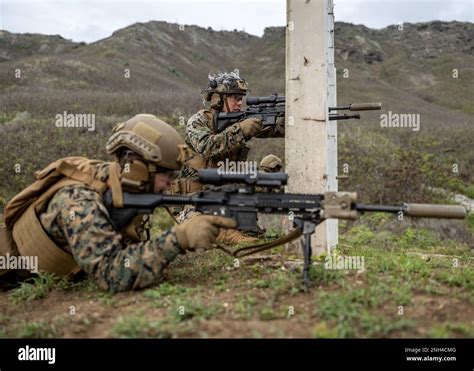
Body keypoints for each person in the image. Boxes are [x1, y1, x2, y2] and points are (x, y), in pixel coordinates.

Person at [0, 114, 236, 292]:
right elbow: (111, 274)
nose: (169, 184)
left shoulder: (118, 186)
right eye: (167, 175)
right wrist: (178, 239)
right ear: (138, 169)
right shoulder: (79, 201)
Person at [175, 71, 263, 244]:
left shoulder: (239, 120)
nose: (239, 102)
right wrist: (241, 130)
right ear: (218, 100)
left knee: (252, 231)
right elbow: (208, 146)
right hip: (195, 199)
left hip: (225, 196)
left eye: (241, 98)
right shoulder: (198, 121)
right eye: (234, 98)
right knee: (200, 229)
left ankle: (233, 230)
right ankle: (224, 234)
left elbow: (271, 128)